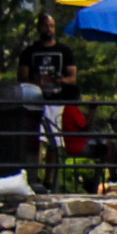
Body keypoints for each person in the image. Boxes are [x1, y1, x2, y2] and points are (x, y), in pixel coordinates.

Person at [19, 13, 73, 178]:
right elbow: (22, 78)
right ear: (39, 28)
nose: (48, 29)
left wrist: (60, 80)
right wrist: (38, 84)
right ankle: (33, 176)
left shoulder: (64, 51)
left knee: (54, 143)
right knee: (37, 141)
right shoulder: (30, 51)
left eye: (51, 26)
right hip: (35, 102)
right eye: (45, 26)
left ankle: (49, 180)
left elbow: (73, 77)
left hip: (57, 101)